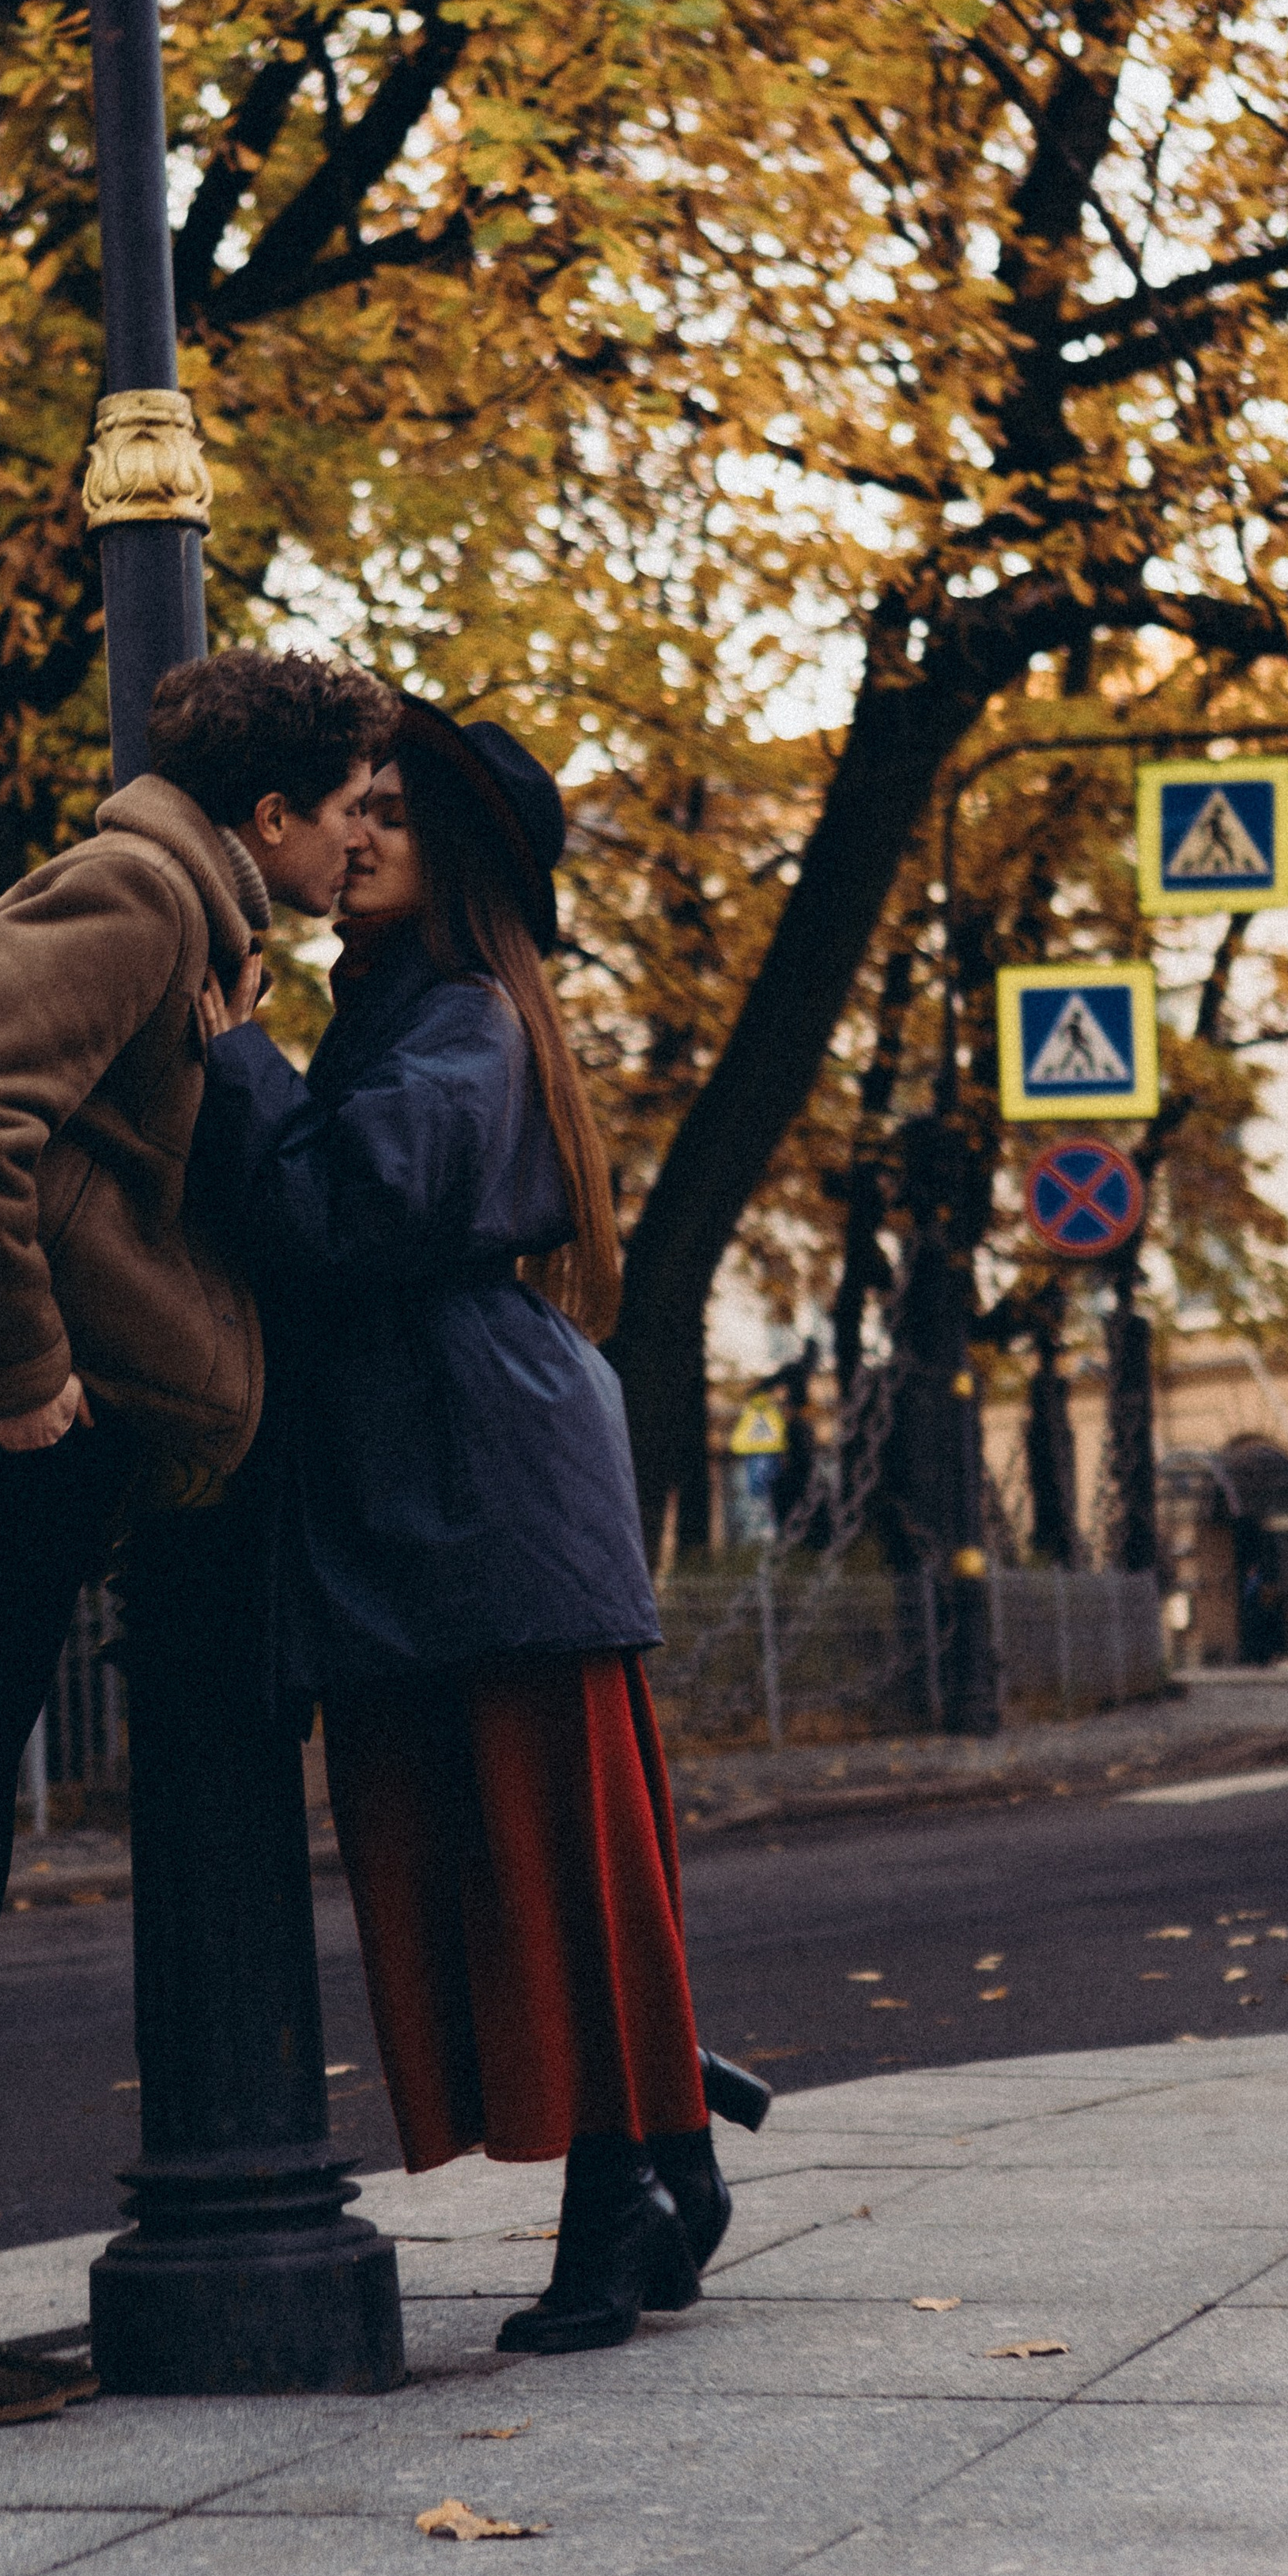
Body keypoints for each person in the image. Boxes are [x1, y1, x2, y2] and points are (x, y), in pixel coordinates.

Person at [0, 649, 392, 2433]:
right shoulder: (132, 894)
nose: (359, 844)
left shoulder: (187, 916)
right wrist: (25, 1379)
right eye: (346, 811)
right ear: (268, 813)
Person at [191, 694, 764, 2359]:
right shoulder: (399, 1011)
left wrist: (231, 1048)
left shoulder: (461, 1018)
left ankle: (625, 2196)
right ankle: (659, 2145)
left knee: (541, 1863)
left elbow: (325, 1208)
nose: (344, 831)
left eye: (383, 811)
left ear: (454, 861)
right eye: (347, 807)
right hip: (431, 1486)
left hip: (480, 1490)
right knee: (486, 1860)